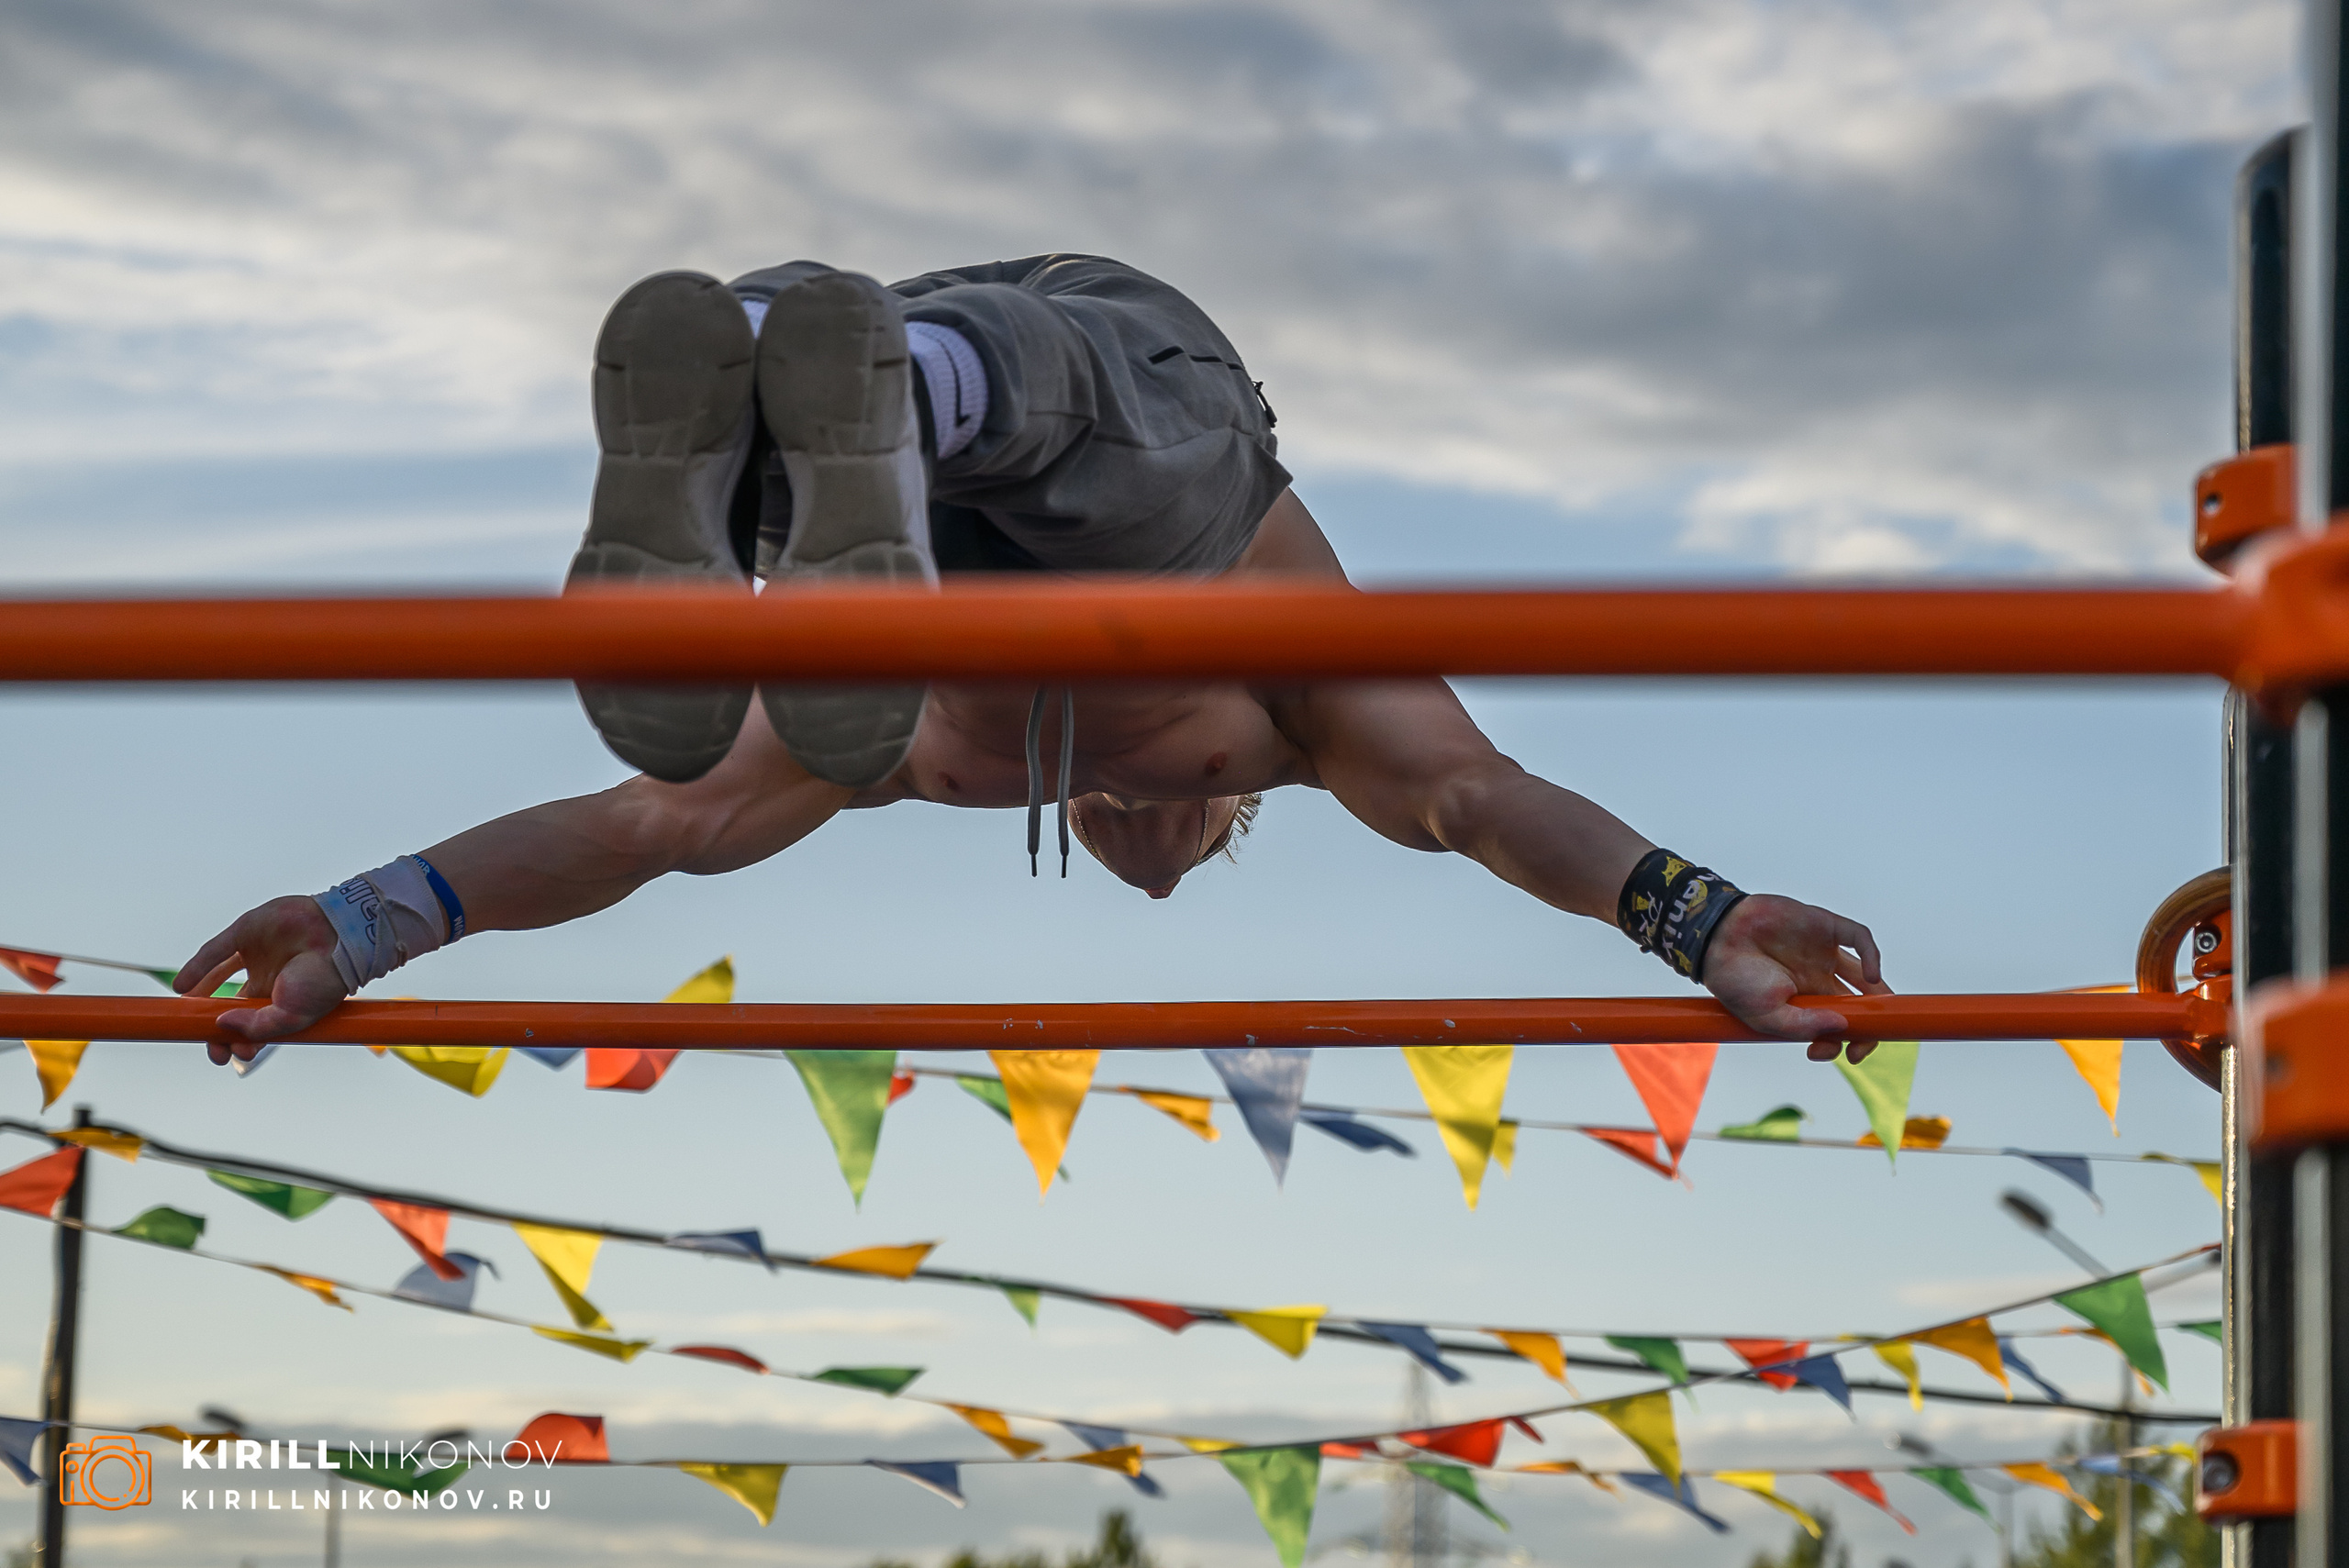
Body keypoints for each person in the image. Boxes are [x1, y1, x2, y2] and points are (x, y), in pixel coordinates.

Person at [179, 255, 1888, 1059]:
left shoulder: (911, 747)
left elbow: (647, 827)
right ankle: (884, 390)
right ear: (1229, 803)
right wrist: (1704, 915)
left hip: (892, 489)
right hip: (1112, 372)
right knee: (1145, 509)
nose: (1144, 848)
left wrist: (359, 925)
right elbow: (1476, 799)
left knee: (780, 663)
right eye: (1190, 833)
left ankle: (770, 418)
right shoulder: (1289, 716)